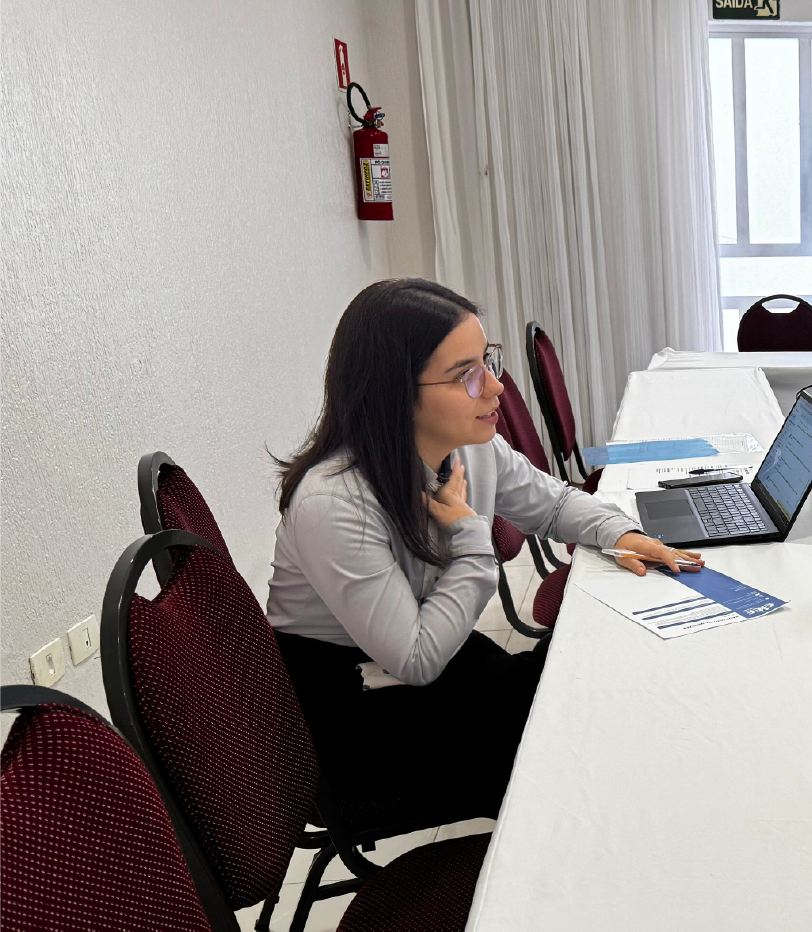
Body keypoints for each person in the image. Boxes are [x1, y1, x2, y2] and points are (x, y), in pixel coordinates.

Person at [268, 278, 700, 824]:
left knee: (589, 684)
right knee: (581, 743)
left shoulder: (469, 447)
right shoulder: (333, 504)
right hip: (360, 720)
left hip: (434, 660)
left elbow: (553, 505)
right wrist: (471, 537)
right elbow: (417, 658)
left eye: (487, 361)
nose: (494, 387)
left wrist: (620, 534)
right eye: (466, 375)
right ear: (394, 392)